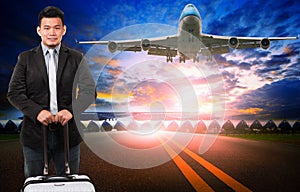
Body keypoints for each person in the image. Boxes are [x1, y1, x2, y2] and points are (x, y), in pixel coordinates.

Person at [7, 6, 95, 178]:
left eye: (56, 27)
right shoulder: (25, 58)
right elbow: (14, 93)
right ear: (39, 30)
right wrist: (37, 112)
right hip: (34, 136)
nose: (52, 33)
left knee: (70, 185)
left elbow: (89, 91)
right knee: (34, 183)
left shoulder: (77, 58)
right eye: (47, 28)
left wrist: (70, 111)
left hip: (68, 135)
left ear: (64, 30)